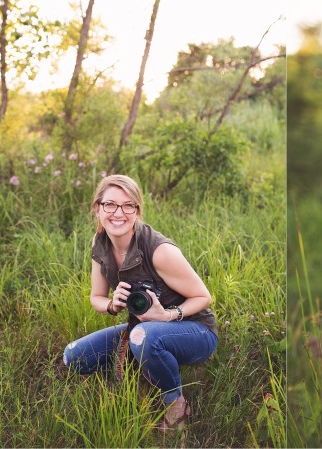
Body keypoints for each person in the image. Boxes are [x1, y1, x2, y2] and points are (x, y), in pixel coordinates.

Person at [63, 174, 218, 431]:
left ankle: (175, 402)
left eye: (128, 205)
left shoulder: (159, 251)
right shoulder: (99, 244)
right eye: (110, 204)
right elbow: (96, 298)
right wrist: (113, 305)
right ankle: (148, 362)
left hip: (196, 331)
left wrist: (166, 316)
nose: (118, 213)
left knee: (142, 336)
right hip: (144, 331)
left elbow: (204, 297)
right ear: (97, 209)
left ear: (137, 211)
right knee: (74, 358)